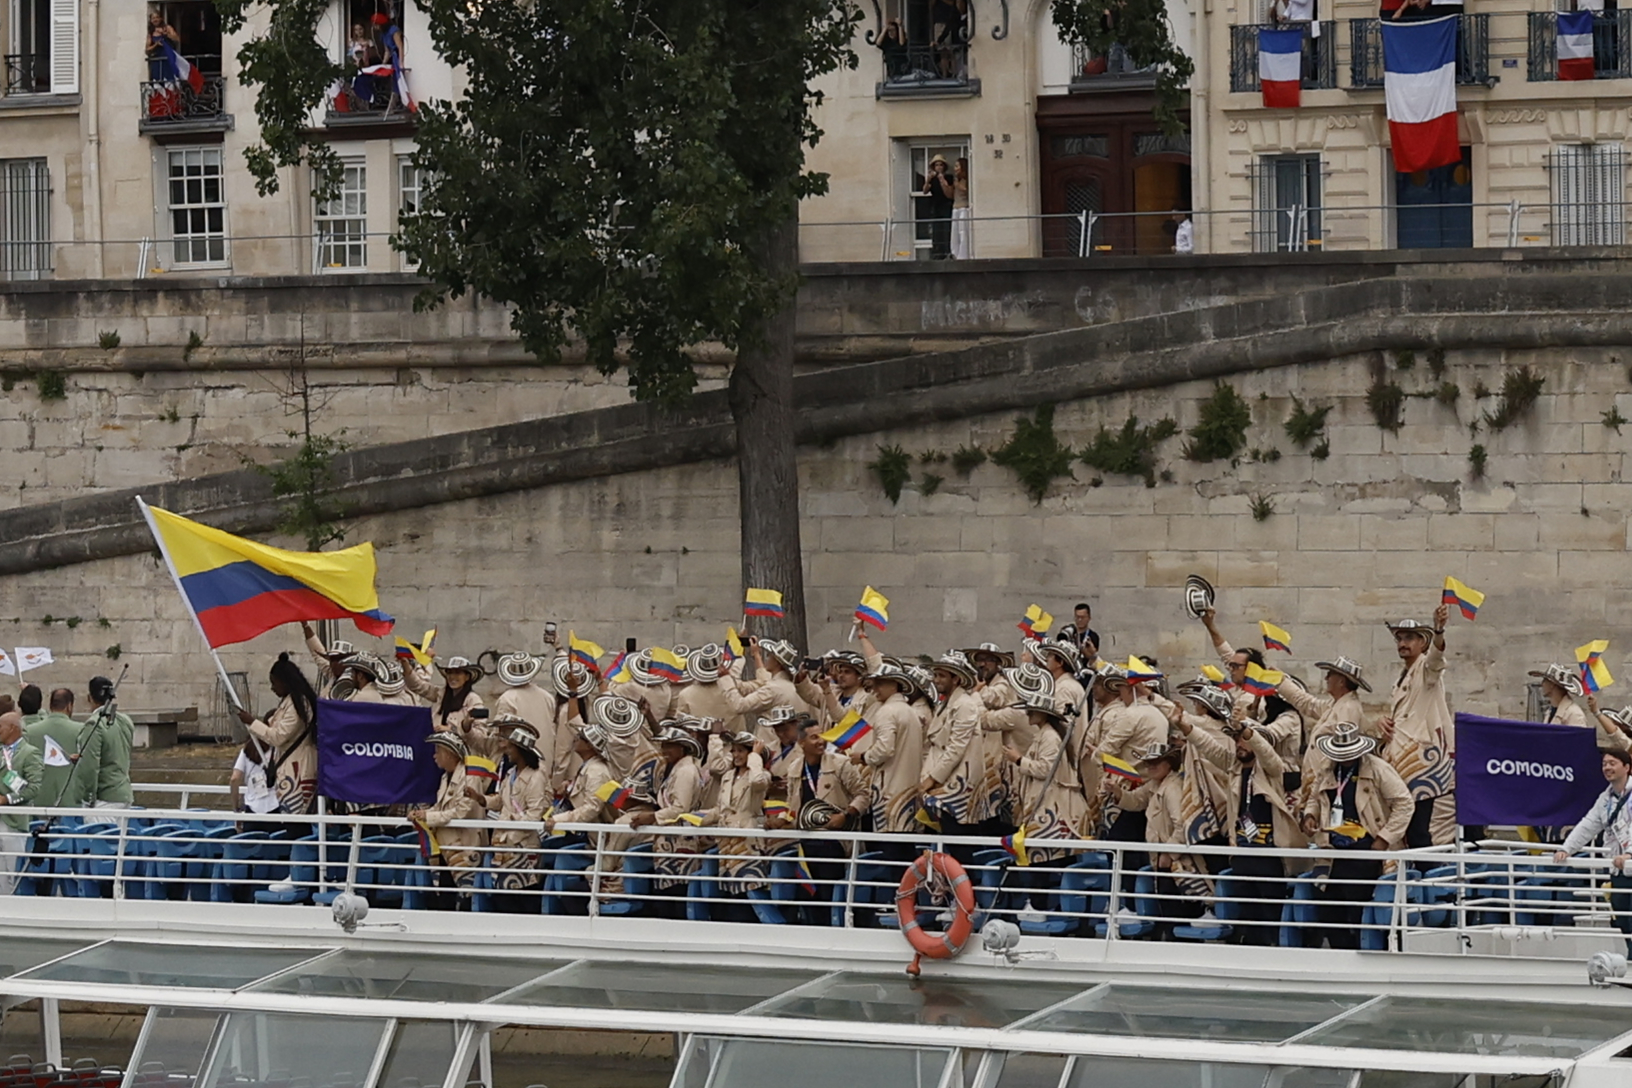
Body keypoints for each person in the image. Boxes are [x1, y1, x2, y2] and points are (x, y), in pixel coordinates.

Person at [1179, 690, 1306, 945]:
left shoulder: (1271, 768)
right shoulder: (1233, 766)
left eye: (1244, 741)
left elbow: (1266, 751)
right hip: (1243, 851)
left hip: (1270, 853)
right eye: (1236, 741)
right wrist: (1183, 725)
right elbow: (1208, 745)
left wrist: (1249, 732)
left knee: (1270, 914)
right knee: (1246, 915)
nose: (1239, 745)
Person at [1299, 722, 1412, 950]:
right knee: (1327, 908)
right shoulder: (1327, 769)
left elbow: (1405, 803)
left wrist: (1384, 839)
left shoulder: (1378, 769)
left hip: (1365, 851)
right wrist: (1310, 816)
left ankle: (1363, 951)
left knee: (1359, 908)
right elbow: (1314, 798)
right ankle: (1342, 952)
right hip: (1329, 852)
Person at [1378, 611, 1456, 848]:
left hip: (1422, 764)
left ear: (1423, 642)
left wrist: (1439, 630)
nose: (1403, 643)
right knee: (1407, 832)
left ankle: (1430, 882)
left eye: (1409, 638)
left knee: (1419, 830)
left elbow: (1436, 659)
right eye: (1400, 638)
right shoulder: (1401, 677)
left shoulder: (1426, 668)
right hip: (1402, 761)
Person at [1554, 749, 1632, 954]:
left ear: (1626, 767)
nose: (1607, 767)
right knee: (1622, 915)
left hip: (1628, 862)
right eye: (1605, 763)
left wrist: (1630, 854)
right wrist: (1567, 848)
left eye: (1612, 763)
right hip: (1619, 870)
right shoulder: (1605, 798)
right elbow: (1588, 824)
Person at [470, 720, 550, 911]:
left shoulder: (536, 776)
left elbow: (534, 814)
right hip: (503, 845)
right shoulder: (511, 773)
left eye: (511, 747)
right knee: (503, 896)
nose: (506, 751)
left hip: (523, 846)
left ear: (521, 750)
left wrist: (512, 825)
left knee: (524, 897)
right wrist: (481, 799)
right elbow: (500, 802)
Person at [697, 731, 772, 919]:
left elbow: (757, 782)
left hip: (747, 840)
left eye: (741, 751)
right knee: (729, 890)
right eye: (734, 751)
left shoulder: (762, 774)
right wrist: (697, 817)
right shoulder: (728, 776)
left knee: (747, 890)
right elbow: (721, 808)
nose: (736, 755)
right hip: (726, 841)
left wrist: (755, 756)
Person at [921, 652, 988, 859]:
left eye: (942, 676)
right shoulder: (946, 704)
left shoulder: (965, 705)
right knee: (944, 847)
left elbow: (956, 748)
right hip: (944, 783)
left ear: (956, 679)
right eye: (936, 675)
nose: (936, 680)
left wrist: (931, 780)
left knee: (960, 849)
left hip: (957, 787)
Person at [236, 654, 320, 815]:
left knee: (296, 823)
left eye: (274, 683)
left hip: (298, 772)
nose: (272, 688)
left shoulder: (298, 704)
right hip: (290, 771)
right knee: (292, 822)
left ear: (285, 681)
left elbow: (278, 737)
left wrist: (252, 722)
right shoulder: (290, 702)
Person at [410, 732, 484, 910]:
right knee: (445, 891)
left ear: (450, 754)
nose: (434, 756)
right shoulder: (445, 777)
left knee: (466, 893)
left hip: (464, 844)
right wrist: (421, 813)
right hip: (445, 845)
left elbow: (461, 811)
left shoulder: (470, 776)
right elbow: (440, 807)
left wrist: (428, 817)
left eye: (438, 751)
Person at [1279, 656, 1375, 781]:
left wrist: (1321, 778)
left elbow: (1343, 751)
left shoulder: (1349, 708)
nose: (1326, 678)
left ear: (1341, 681)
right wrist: (1281, 681)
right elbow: (1308, 704)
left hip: (1325, 781)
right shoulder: (1336, 704)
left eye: (1330, 674)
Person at [25, 688, 102, 810]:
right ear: (69, 706)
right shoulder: (81, 730)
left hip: (39, 800)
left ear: (50, 706)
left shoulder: (30, 731)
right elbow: (90, 766)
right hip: (71, 800)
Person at [0, 710, 43, 896]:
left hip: (15, 821)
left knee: (14, 869)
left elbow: (33, 788)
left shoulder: (30, 753)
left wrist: (7, 799)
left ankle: (15, 902)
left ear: (12, 728)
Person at [85, 676, 133, 809]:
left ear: (90, 698)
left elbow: (90, 767)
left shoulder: (93, 724)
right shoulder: (126, 721)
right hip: (124, 794)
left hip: (104, 798)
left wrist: (88, 798)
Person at [228, 734, 280, 821]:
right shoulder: (277, 751)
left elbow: (234, 779)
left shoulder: (245, 752)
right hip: (275, 806)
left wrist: (235, 807)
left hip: (252, 807)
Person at [921, 156, 955, 259]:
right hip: (935, 206)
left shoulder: (948, 178)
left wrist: (942, 180)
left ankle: (946, 251)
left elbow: (949, 194)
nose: (939, 167)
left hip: (946, 206)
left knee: (946, 229)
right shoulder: (932, 179)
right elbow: (925, 191)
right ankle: (937, 251)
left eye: (941, 165)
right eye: (936, 165)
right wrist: (928, 180)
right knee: (936, 230)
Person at [146, 7, 182, 81]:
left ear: (161, 18)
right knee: (158, 83)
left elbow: (177, 39)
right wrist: (156, 45)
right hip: (157, 61)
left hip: (169, 59)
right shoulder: (150, 33)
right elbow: (147, 50)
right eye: (153, 18)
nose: (155, 20)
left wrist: (166, 34)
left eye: (157, 17)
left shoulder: (167, 28)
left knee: (170, 82)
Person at [950, 158, 973, 260]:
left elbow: (967, 190)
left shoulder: (966, 179)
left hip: (964, 207)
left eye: (957, 166)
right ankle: (955, 253)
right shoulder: (957, 180)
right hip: (956, 207)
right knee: (955, 233)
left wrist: (958, 185)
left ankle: (963, 255)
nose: (955, 169)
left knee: (963, 232)